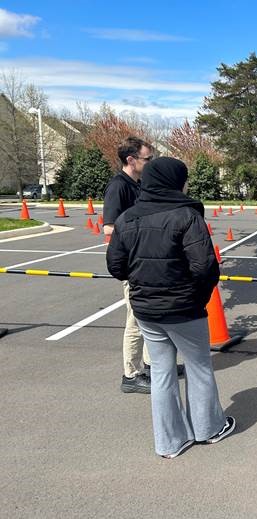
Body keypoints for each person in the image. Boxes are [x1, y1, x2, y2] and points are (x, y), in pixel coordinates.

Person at [106, 157, 235, 458]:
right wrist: (198, 297)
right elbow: (205, 268)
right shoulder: (186, 216)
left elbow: (115, 265)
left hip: (146, 309)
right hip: (184, 308)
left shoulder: (128, 218)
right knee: (199, 367)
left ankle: (169, 442)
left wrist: (142, 280)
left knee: (162, 373)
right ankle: (208, 429)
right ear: (174, 181)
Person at [103, 136, 153, 394]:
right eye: (147, 158)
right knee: (135, 320)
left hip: (145, 262)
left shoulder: (139, 185)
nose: (150, 162)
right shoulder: (118, 187)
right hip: (132, 264)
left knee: (147, 317)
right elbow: (110, 229)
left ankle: (149, 365)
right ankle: (131, 374)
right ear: (131, 160)